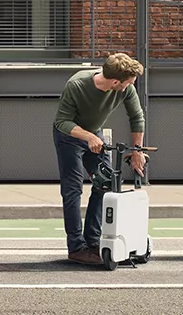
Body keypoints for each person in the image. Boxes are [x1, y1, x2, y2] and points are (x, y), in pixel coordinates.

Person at [51, 52, 148, 266]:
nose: (129, 86)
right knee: (73, 188)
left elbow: (136, 117)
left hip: (95, 135)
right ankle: (76, 248)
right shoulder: (77, 85)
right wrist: (88, 136)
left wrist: (137, 151)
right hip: (70, 137)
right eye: (128, 83)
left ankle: (92, 241)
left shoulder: (126, 89)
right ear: (115, 81)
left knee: (105, 183)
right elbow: (62, 121)